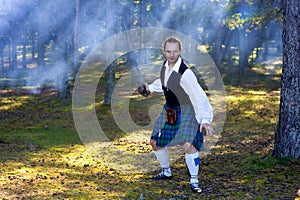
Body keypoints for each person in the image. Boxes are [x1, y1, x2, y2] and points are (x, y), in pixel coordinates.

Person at [138, 36, 214, 193]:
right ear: (164, 51)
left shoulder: (185, 73)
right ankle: (166, 171)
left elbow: (198, 96)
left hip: (187, 111)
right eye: (168, 51)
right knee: (155, 142)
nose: (171, 55)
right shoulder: (165, 67)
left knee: (189, 144)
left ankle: (194, 180)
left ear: (180, 51)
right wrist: (149, 88)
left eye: (174, 51)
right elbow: (163, 83)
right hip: (170, 110)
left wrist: (205, 119)